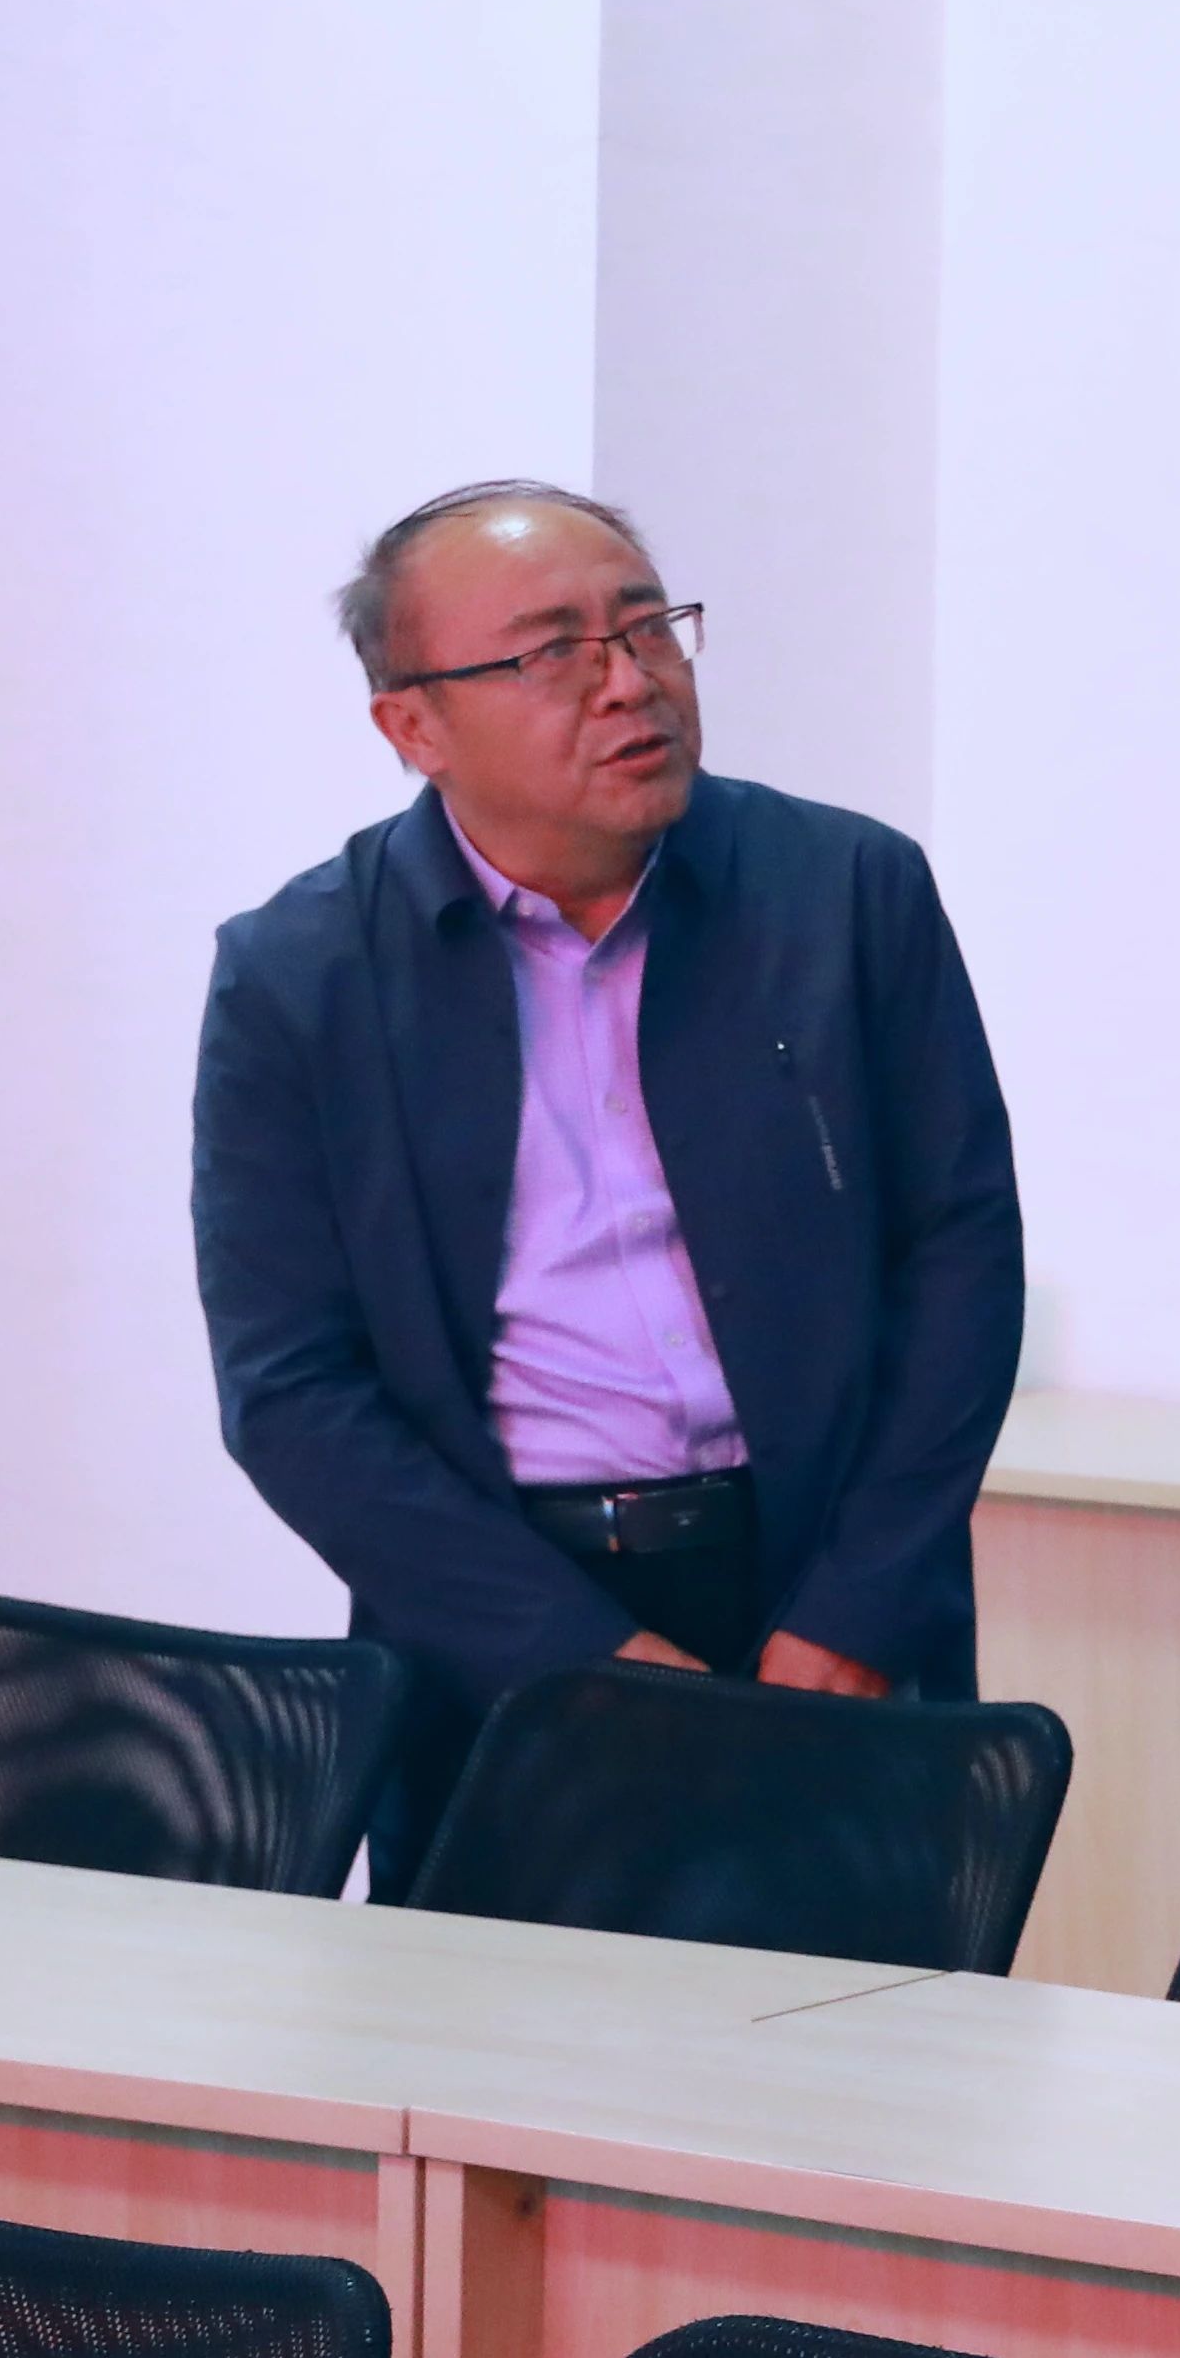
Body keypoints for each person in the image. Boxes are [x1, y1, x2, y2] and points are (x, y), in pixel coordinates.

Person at [196, 484, 1024, 1881]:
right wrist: (581, 1661)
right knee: (502, 2021)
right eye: (552, 653)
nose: (630, 682)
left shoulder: (846, 892)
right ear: (413, 727)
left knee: (856, 2014)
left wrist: (859, 1611)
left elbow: (959, 1257)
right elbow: (291, 1389)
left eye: (647, 629)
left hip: (827, 1605)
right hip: (506, 1627)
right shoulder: (303, 975)